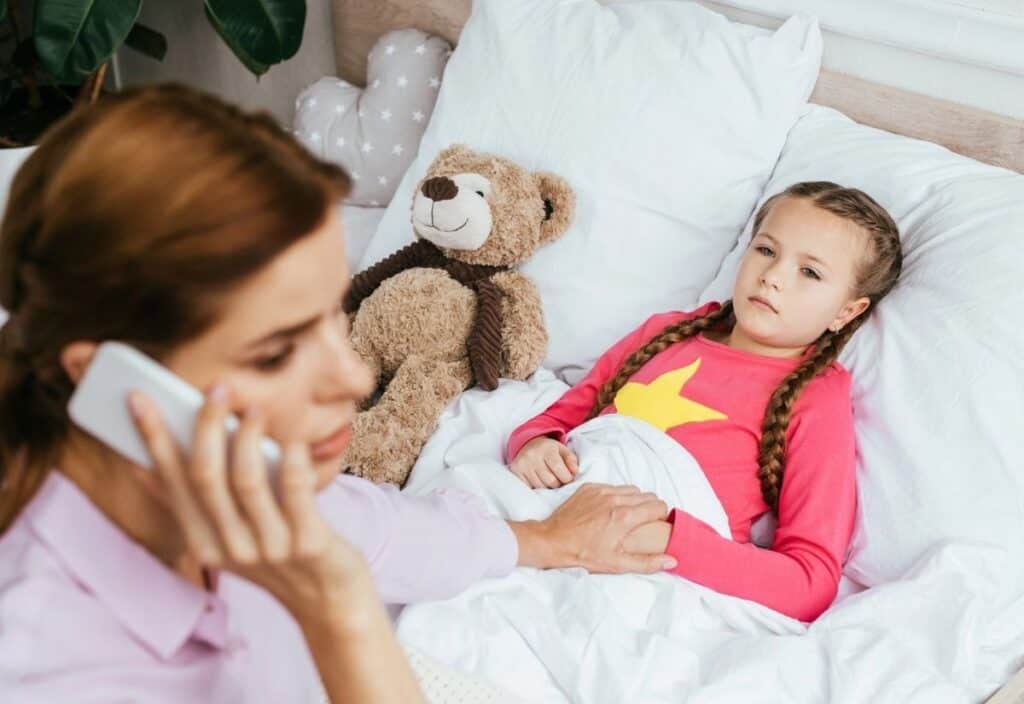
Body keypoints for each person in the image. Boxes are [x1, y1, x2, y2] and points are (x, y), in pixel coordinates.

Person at [0, 84, 674, 703]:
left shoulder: (260, 487)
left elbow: (395, 531)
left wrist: (549, 539)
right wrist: (340, 613)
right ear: (111, 384)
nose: (352, 379)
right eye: (276, 351)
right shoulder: (47, 666)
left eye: (331, 317)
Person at [507, 181, 903, 622]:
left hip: (637, 554)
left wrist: (669, 540)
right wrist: (535, 443)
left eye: (809, 272)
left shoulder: (816, 398)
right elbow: (566, 414)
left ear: (846, 312)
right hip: (552, 505)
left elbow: (809, 581)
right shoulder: (667, 332)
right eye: (766, 250)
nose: (773, 276)